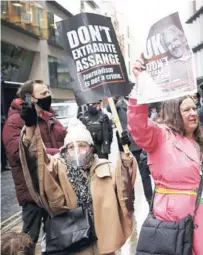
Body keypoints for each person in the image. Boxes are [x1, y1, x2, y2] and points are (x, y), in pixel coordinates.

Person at [129, 59, 203, 254]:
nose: (193, 113)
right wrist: (140, 85)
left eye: (194, 108)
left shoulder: (202, 140)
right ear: (174, 113)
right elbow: (138, 126)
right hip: (183, 226)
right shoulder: (161, 136)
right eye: (186, 110)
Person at [19, 116, 136, 254]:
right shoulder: (58, 169)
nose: (76, 150)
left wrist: (124, 153)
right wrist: (31, 127)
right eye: (71, 147)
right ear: (64, 150)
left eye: (82, 145)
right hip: (74, 244)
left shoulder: (107, 168)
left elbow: (125, 189)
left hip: (103, 243)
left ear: (91, 148)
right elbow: (38, 161)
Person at [2, 80, 67, 245]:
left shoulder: (51, 119)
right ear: (30, 98)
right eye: (43, 94)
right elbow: (17, 153)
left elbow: (66, 143)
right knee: (29, 240)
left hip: (54, 188)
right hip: (33, 193)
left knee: (59, 236)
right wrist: (59, 153)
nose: (48, 96)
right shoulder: (15, 122)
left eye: (48, 92)